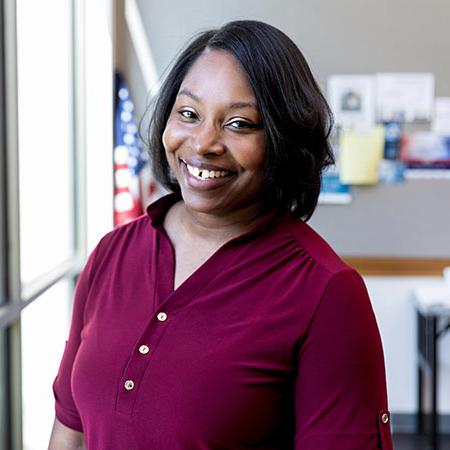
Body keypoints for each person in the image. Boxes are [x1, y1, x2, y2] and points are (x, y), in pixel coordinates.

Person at [49, 20, 393, 450]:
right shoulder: (112, 253)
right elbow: (71, 430)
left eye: (239, 124)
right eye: (189, 114)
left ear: (283, 139)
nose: (204, 143)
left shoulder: (327, 293)